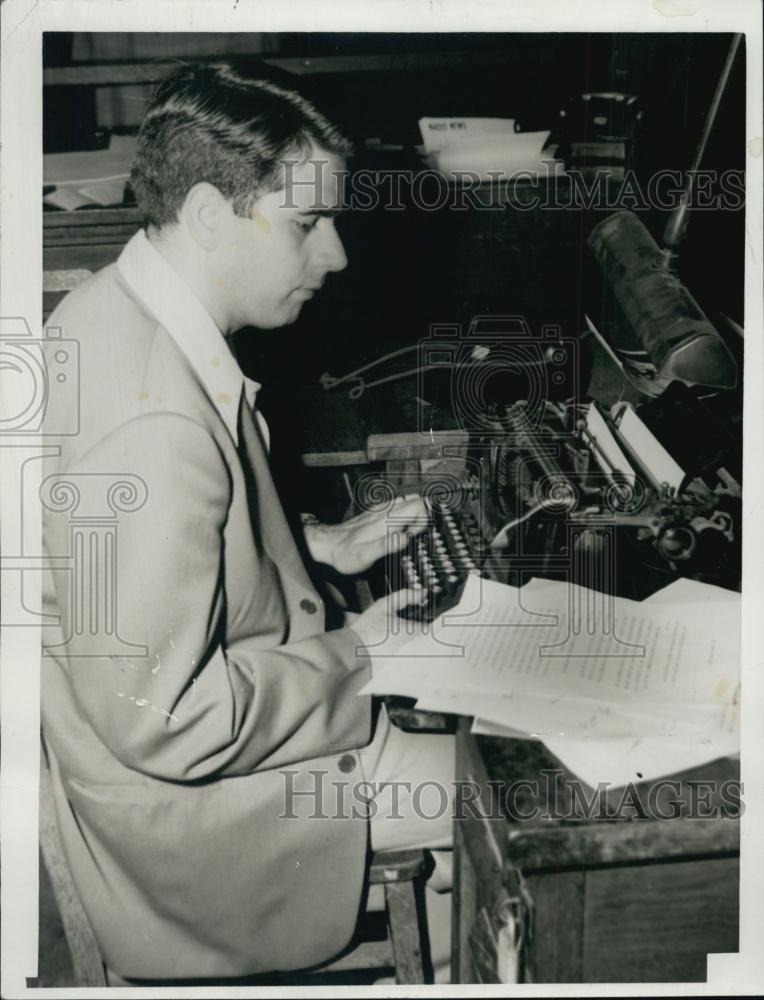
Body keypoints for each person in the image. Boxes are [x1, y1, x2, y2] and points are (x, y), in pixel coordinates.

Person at [40, 62, 455, 984]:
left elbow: (140, 554)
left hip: (155, 765)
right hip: (200, 818)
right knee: (529, 803)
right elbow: (168, 720)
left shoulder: (109, 306)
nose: (336, 255)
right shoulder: (152, 425)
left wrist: (311, 544)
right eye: (308, 224)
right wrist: (363, 657)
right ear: (205, 214)